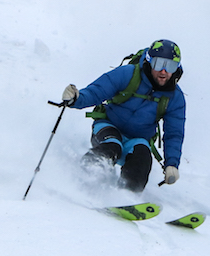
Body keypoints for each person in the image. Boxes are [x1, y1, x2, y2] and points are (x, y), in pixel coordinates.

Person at [60, 40, 187, 192]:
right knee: (112, 146)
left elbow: (174, 133)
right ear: (149, 61)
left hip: (137, 139)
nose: (164, 71)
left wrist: (171, 164)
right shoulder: (128, 74)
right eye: (159, 64)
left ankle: (127, 197)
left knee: (142, 157)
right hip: (108, 126)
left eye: (170, 66)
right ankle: (82, 180)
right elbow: (97, 91)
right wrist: (76, 98)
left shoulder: (175, 97)